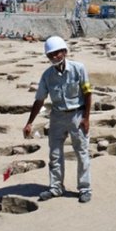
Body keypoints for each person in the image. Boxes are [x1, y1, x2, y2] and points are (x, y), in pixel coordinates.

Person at [23, 36, 93, 203]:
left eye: (57, 53)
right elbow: (39, 99)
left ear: (65, 52)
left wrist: (86, 118)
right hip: (57, 117)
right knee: (55, 154)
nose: (54, 57)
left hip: (77, 115)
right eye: (50, 55)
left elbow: (88, 93)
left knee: (82, 153)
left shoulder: (79, 69)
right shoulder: (47, 76)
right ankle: (56, 187)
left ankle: (84, 188)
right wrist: (29, 122)